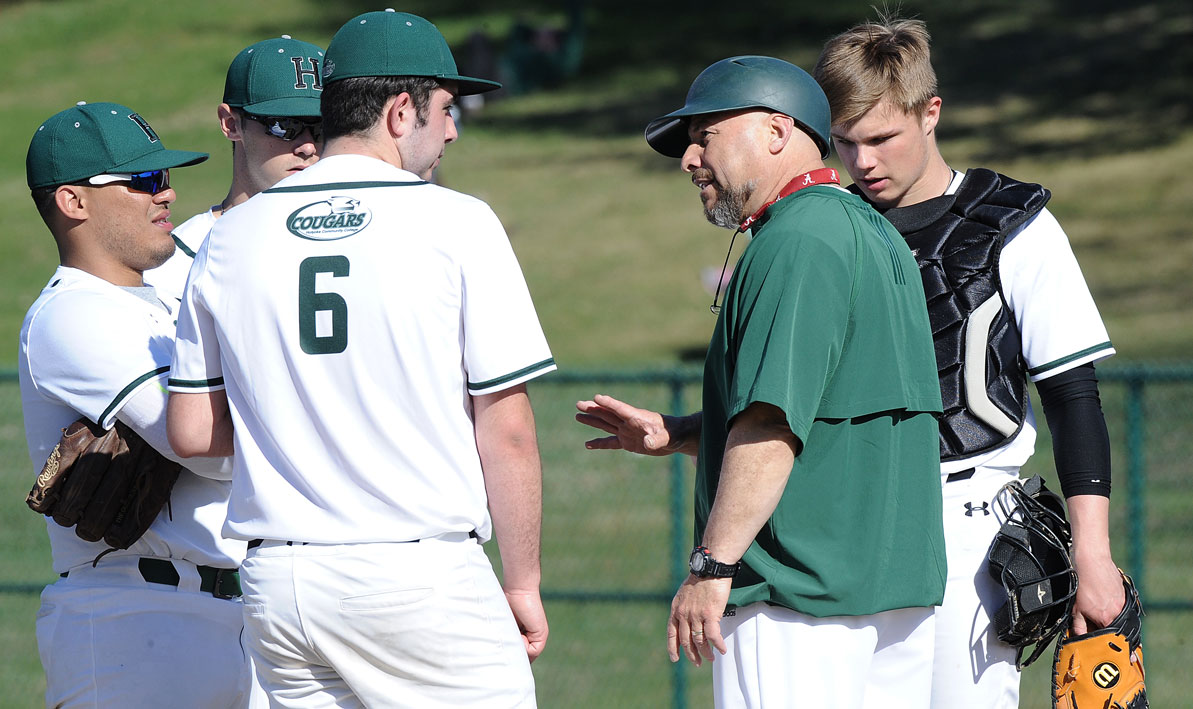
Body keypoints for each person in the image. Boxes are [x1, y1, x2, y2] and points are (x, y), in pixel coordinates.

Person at [166, 10, 553, 708]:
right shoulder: (457, 221)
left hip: (281, 587)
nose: (454, 127)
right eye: (446, 108)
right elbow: (509, 429)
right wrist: (521, 582)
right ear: (401, 112)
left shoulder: (231, 236)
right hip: (415, 573)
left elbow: (192, 431)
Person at [577, 56, 946, 708]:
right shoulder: (871, 231)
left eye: (705, 134)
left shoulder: (795, 238)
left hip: (796, 601)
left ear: (777, 130)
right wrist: (686, 433)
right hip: (888, 592)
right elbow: (830, 410)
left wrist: (711, 564)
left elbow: (772, 422)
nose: (689, 157)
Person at [813, 17, 1125, 708]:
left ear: (930, 113)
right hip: (847, 517)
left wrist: (1093, 552)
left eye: (880, 138)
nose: (861, 161)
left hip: (968, 517)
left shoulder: (1013, 225)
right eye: (844, 142)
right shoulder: (825, 227)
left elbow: (1072, 396)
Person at [19, 101, 247, 707]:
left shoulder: (164, 301)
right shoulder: (72, 313)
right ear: (74, 202)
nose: (166, 194)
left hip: (232, 612)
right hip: (133, 621)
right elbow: (207, 450)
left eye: (167, 177)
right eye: (145, 180)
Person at [145, 34, 323, 305]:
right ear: (231, 123)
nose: (308, 146)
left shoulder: (368, 238)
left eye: (324, 127)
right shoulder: (176, 268)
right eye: (285, 125)